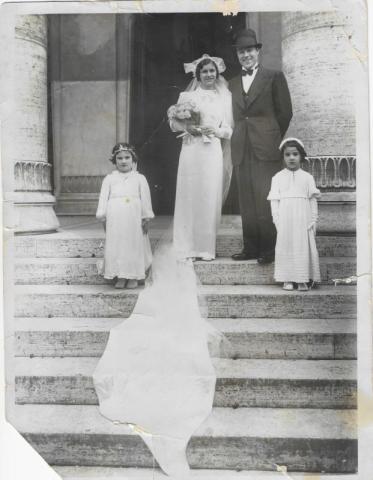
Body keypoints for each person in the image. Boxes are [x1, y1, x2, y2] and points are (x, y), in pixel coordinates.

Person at [229, 28, 293, 264]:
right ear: (237, 56)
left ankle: (269, 249)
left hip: (265, 147)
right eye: (241, 52)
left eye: (249, 50)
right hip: (241, 147)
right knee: (246, 200)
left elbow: (285, 112)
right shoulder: (232, 83)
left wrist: (271, 136)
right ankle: (251, 248)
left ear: (257, 52)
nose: (245, 55)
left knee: (265, 197)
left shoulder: (274, 76)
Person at [169, 54, 233, 261]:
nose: (208, 75)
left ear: (217, 73)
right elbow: (173, 125)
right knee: (189, 194)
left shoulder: (225, 97)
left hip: (211, 149)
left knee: (208, 195)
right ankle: (185, 247)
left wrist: (215, 130)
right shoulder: (186, 97)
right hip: (191, 149)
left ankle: (205, 249)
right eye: (204, 71)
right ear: (198, 75)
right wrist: (189, 127)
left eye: (212, 71)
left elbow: (230, 130)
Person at [96, 143, 154, 289]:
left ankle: (133, 275)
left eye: (127, 157)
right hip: (115, 216)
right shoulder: (109, 179)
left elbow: (145, 199)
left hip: (133, 216)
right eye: (119, 158)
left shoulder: (139, 178)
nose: (123, 161)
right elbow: (103, 198)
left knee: (132, 244)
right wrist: (102, 216)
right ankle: (120, 275)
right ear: (114, 161)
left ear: (133, 159)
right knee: (117, 244)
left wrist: (146, 217)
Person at [267, 138, 321, 291]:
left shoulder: (307, 177)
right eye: (287, 155)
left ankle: (302, 278)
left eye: (295, 154)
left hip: (302, 218)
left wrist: (313, 219)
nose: (291, 158)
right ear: (283, 157)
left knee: (301, 246)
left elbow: (312, 200)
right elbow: (274, 201)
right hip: (285, 219)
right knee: (286, 246)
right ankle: (287, 278)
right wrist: (276, 219)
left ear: (301, 156)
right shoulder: (277, 178)